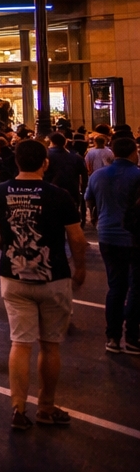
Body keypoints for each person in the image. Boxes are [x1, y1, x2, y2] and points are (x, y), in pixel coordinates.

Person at [0, 138, 86, 429]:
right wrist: (79, 269)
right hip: (53, 276)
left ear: (16, 162)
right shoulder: (59, 195)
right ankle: (46, 406)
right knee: (50, 345)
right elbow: (77, 238)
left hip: (13, 276)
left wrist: (7, 247)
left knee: (20, 342)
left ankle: (18, 408)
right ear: (45, 163)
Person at [84, 134, 140, 352]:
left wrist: (97, 218)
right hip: (134, 238)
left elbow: (89, 199)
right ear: (133, 153)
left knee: (116, 287)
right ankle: (133, 337)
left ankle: (113, 338)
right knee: (136, 288)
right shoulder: (137, 175)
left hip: (107, 235)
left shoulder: (98, 176)